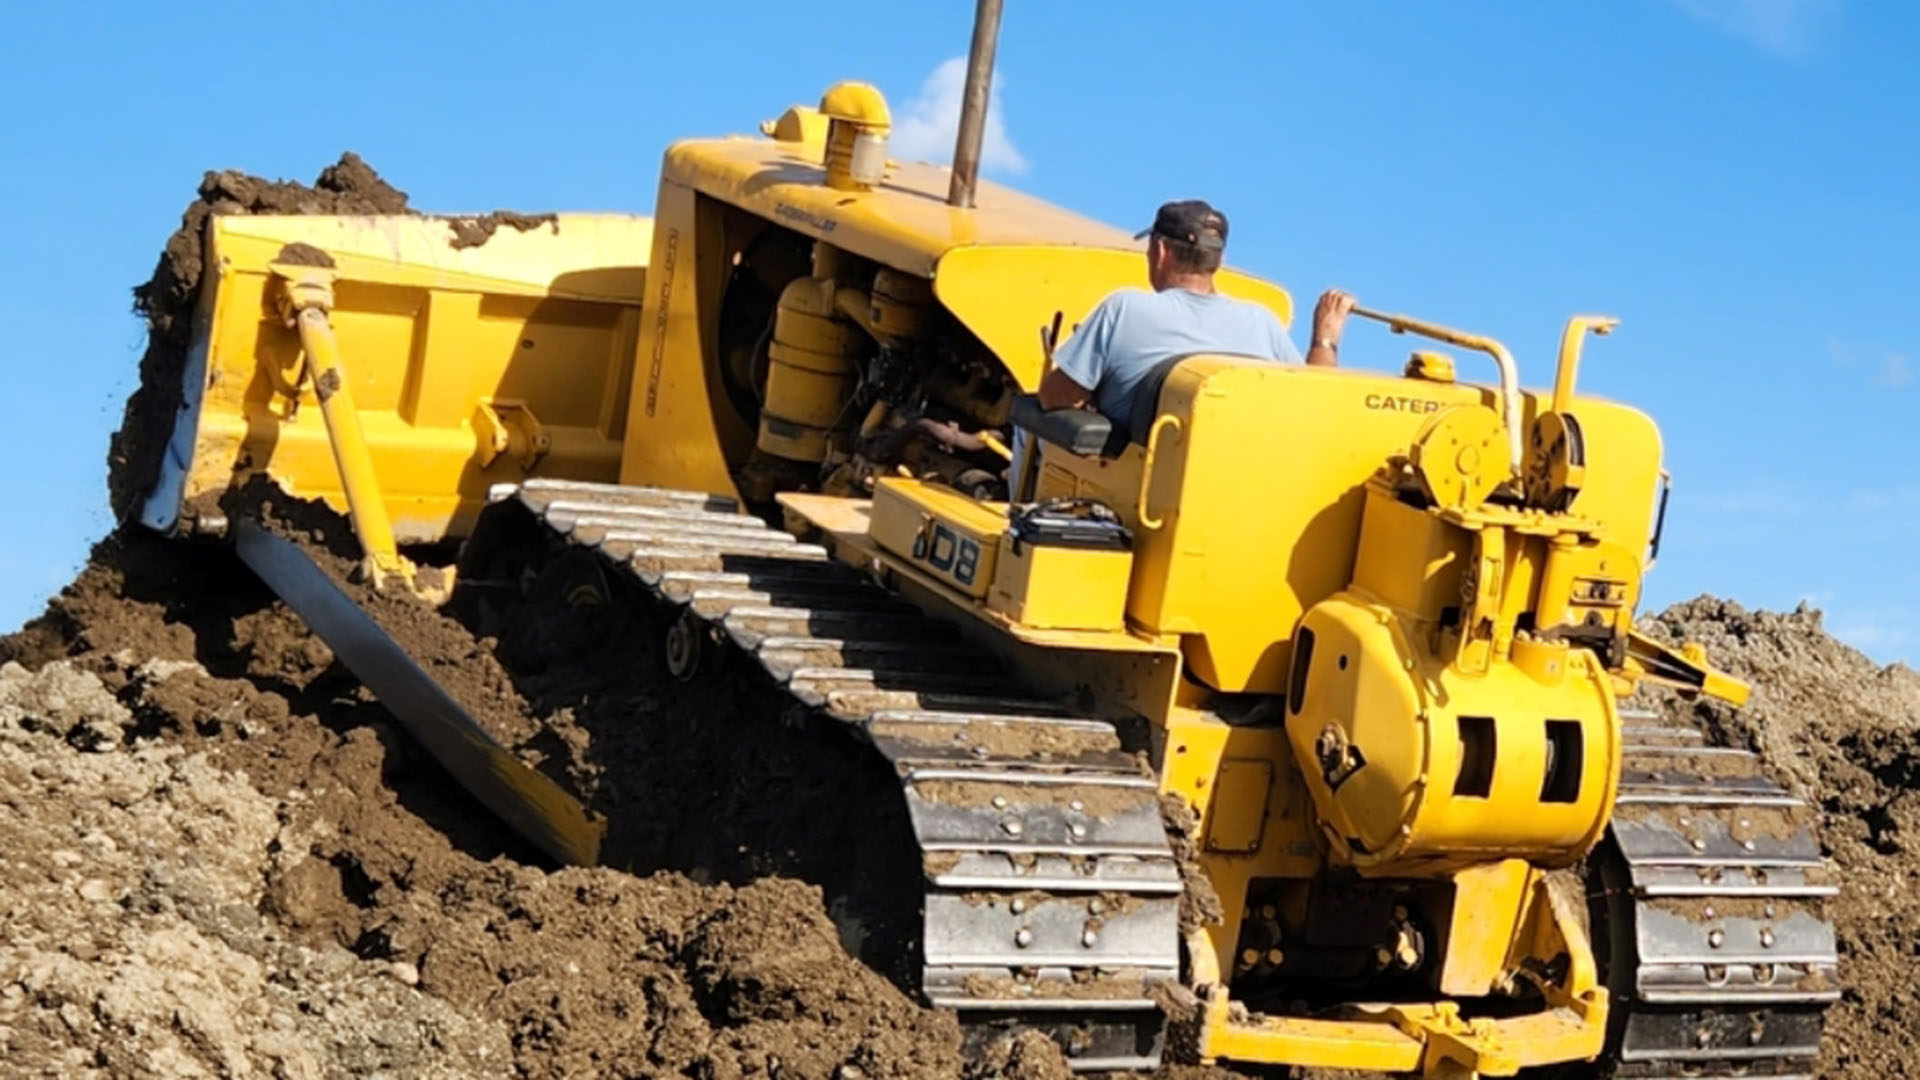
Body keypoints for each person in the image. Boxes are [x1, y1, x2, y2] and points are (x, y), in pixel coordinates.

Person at [1036, 199, 1357, 425]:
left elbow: (1056, 398)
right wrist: (1324, 341)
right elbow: (1315, 403)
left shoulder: (1124, 308)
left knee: (1028, 419)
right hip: (1233, 484)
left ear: (1160, 251)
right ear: (1216, 260)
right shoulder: (1261, 322)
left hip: (1132, 487)